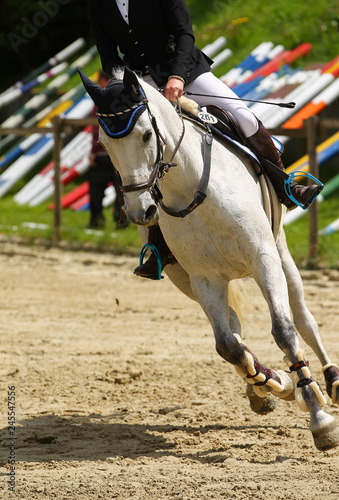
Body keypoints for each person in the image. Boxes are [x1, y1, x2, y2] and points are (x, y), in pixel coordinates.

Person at [88, 0, 322, 277]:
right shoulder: (98, 3)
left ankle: (285, 186)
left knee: (243, 117)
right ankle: (159, 244)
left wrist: (177, 76)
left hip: (184, 70)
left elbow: (184, 33)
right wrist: (125, 86)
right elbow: (107, 53)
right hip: (140, 83)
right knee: (132, 143)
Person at [88, 69, 126, 228]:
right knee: (97, 191)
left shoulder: (113, 99)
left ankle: (120, 222)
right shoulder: (100, 101)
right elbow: (95, 130)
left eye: (99, 81)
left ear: (104, 81)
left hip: (114, 155)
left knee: (120, 192)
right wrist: (92, 152)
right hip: (103, 155)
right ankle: (98, 220)